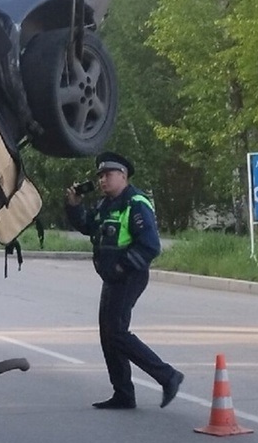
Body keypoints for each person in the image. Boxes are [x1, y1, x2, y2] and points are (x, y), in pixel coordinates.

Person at [64, 152, 183, 410]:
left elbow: (150, 246)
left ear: (123, 175)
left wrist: (122, 266)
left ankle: (168, 376)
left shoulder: (135, 202)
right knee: (108, 335)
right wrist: (74, 205)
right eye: (99, 176)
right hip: (112, 277)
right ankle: (123, 394)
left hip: (130, 276)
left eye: (107, 174)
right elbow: (87, 225)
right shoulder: (106, 204)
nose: (102, 180)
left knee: (117, 332)